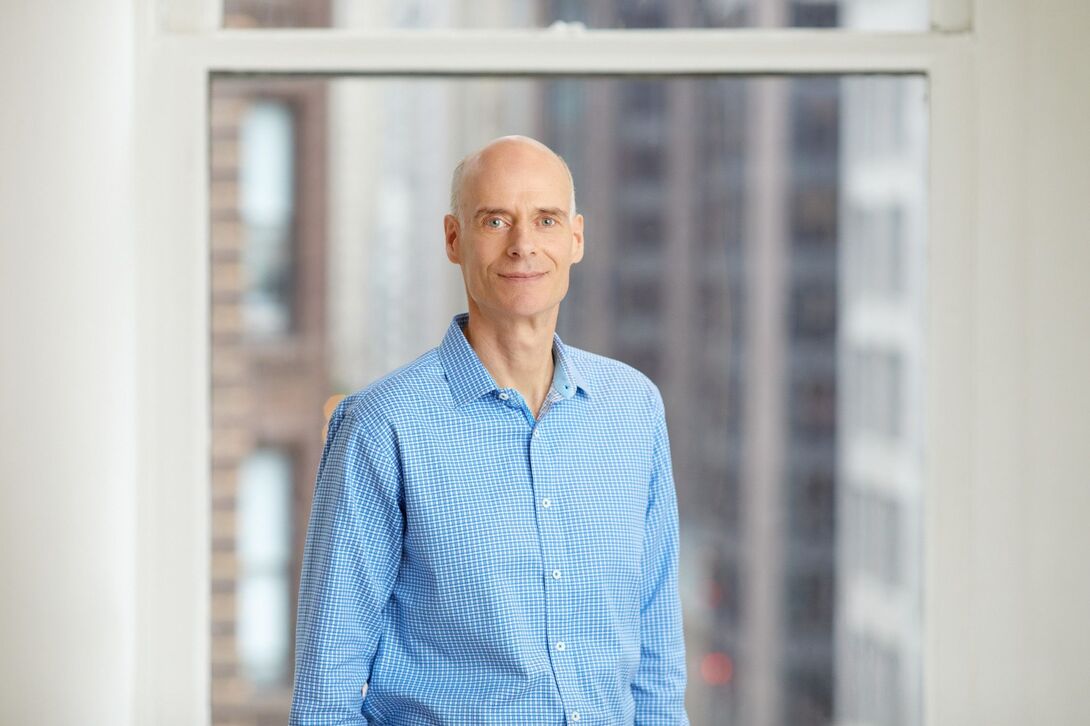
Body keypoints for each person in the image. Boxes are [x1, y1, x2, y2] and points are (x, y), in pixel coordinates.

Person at [289, 135, 689, 724]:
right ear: (454, 239)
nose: (524, 245)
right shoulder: (382, 426)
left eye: (546, 220)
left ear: (576, 238)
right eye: (496, 220)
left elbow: (658, 661)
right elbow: (329, 690)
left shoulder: (634, 410)